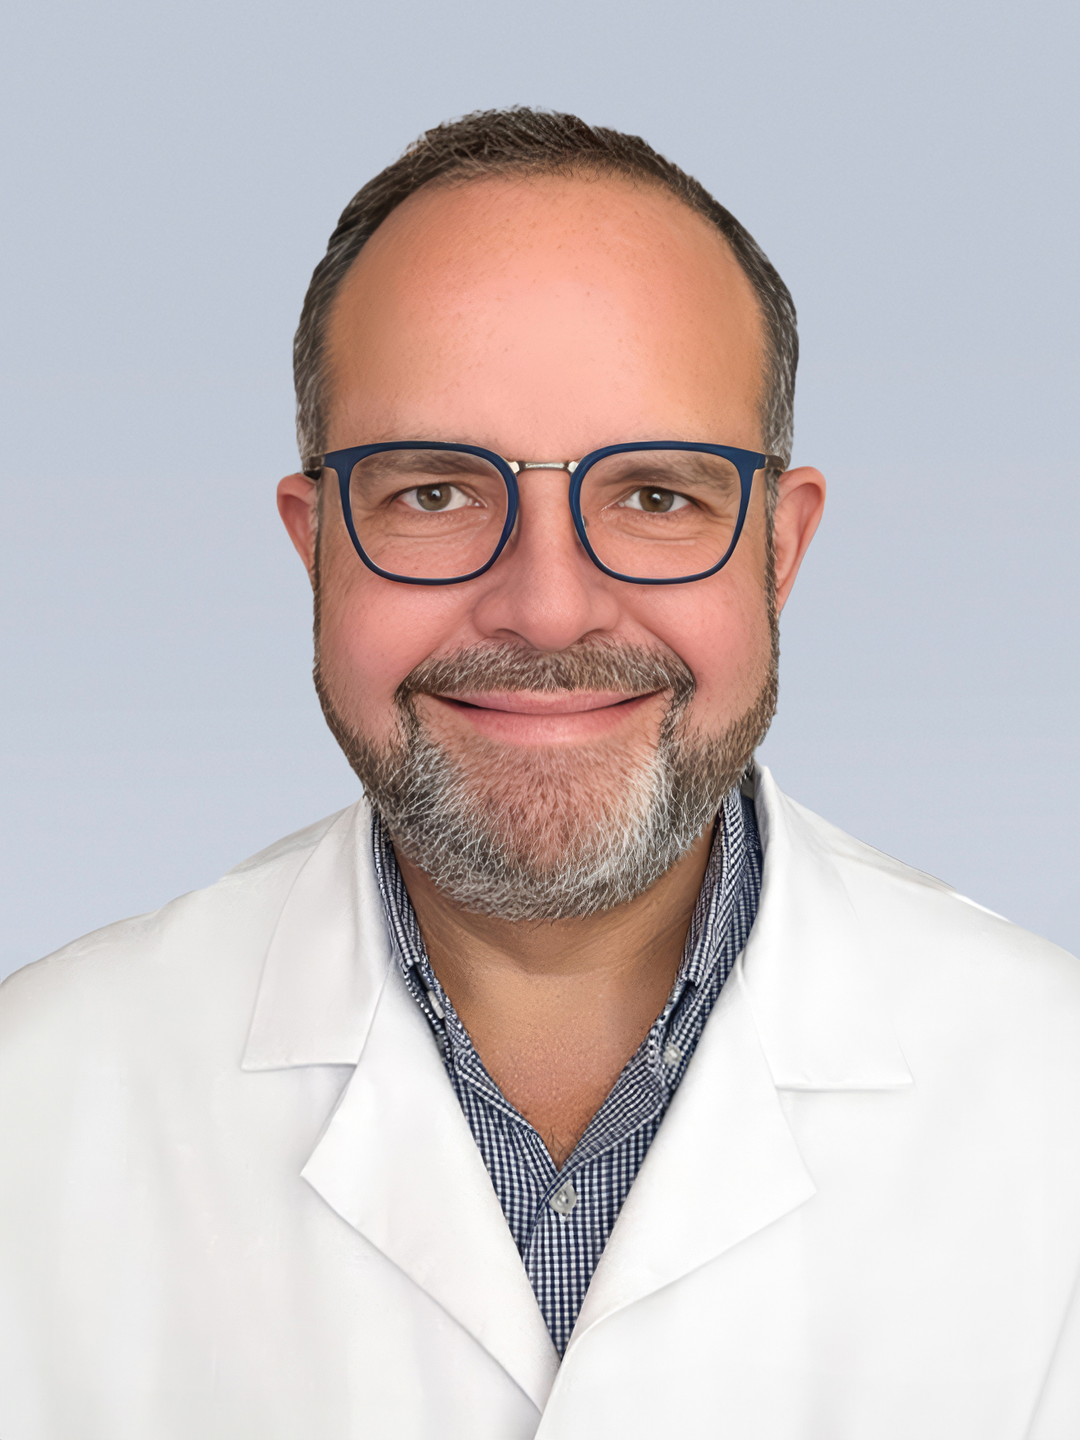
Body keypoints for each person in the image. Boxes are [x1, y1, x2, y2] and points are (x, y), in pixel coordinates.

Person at [1, 108, 1078, 1440]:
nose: (549, 609)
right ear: (315, 542)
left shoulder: (1054, 1095)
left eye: (658, 496)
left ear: (781, 548)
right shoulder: (35, 1101)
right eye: (435, 494)